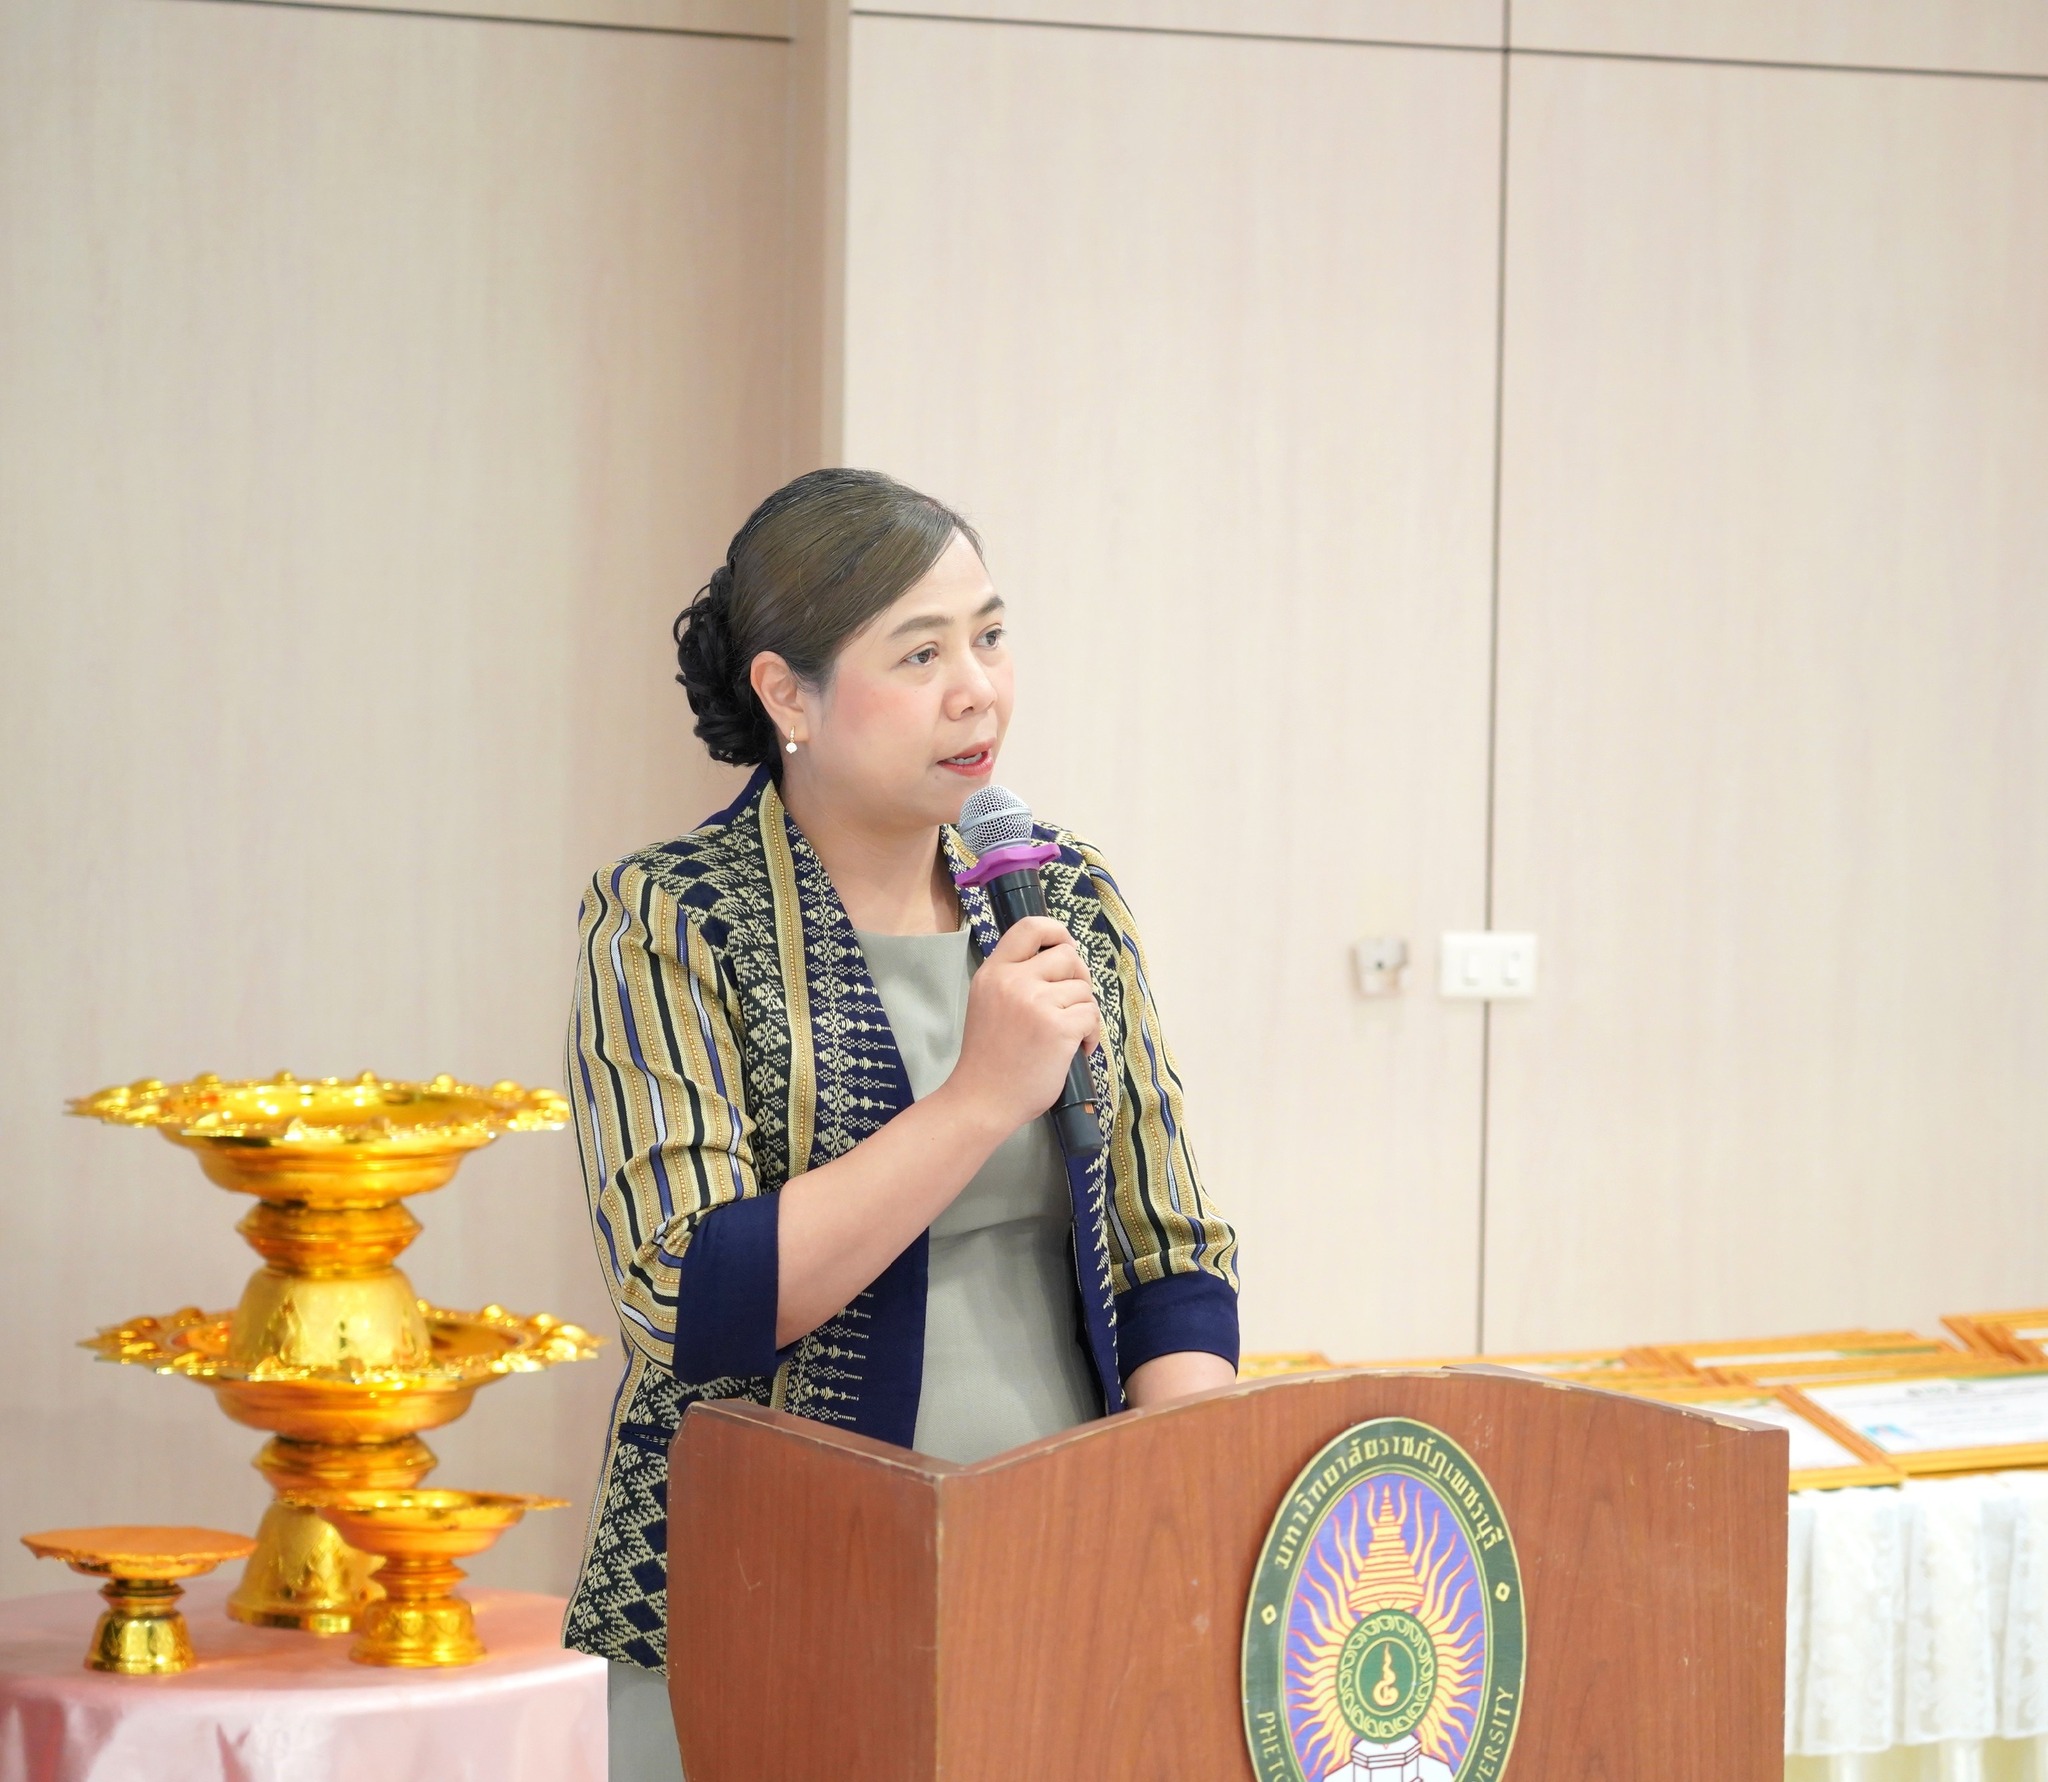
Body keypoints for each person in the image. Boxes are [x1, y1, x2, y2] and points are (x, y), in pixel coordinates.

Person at [561, 468, 1240, 1780]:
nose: (976, 688)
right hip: (768, 1596)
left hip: (1061, 1577)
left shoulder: (1062, 893)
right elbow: (688, 1294)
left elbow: (1171, 1251)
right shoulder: (668, 914)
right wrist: (979, 1099)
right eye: (920, 654)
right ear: (788, 695)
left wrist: (1180, 1515)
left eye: (990, 636)